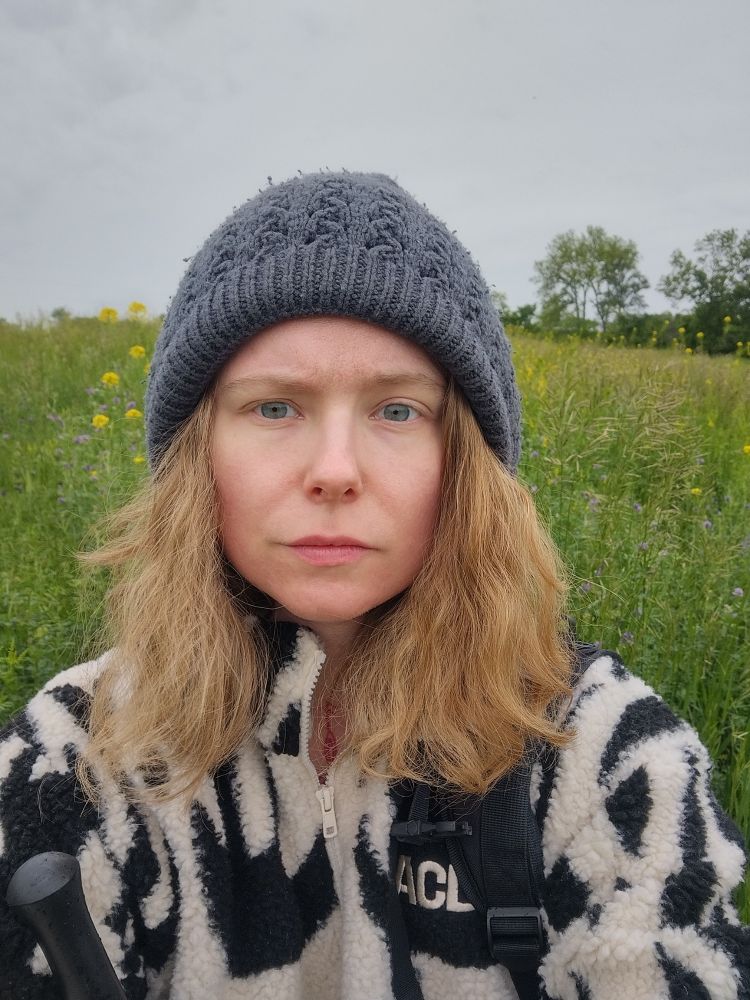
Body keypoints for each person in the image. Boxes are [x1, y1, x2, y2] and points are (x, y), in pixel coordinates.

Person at [0, 170, 747, 1000]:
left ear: (462, 462)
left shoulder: (599, 756)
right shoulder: (75, 764)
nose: (334, 471)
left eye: (397, 410)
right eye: (274, 408)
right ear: (195, 457)